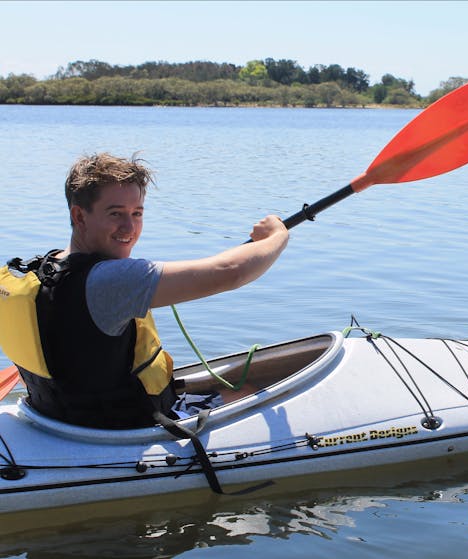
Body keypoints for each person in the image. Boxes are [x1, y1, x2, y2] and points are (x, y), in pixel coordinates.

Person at [0, 153, 289, 429]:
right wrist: (277, 235)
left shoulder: (38, 273)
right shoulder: (111, 280)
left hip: (59, 418)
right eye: (115, 213)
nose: (129, 227)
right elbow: (230, 273)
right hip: (125, 430)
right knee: (249, 391)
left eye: (137, 213)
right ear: (79, 216)